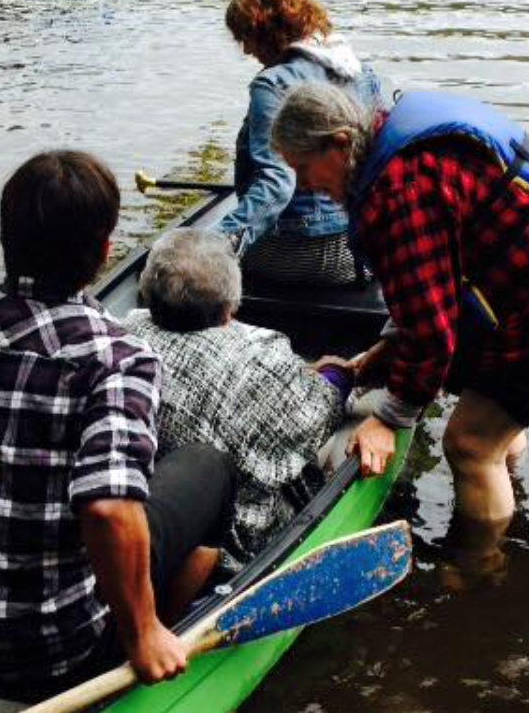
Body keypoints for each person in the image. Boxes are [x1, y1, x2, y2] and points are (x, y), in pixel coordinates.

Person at [0, 151, 235, 698]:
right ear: (104, 251)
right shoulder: (117, 357)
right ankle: (156, 633)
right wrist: (136, 634)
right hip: (51, 655)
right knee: (208, 464)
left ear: (6, 237)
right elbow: (109, 509)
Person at [268, 83, 529, 535]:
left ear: (340, 143)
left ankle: (482, 566)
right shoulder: (393, 147)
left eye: (304, 169)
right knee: (491, 419)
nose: (304, 186)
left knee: (469, 445)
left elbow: (430, 332)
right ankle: (506, 482)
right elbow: (427, 286)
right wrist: (386, 347)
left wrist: (390, 417)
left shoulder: (397, 190)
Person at [122, 228, 355, 573]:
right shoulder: (262, 359)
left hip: (141, 518)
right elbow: (321, 415)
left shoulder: (121, 333)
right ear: (229, 305)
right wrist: (337, 375)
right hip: (232, 543)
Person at [215, 0, 387, 286]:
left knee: (197, 247)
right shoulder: (361, 72)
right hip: (366, 251)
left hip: (306, 254)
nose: (245, 50)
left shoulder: (273, 84)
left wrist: (212, 244)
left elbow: (278, 183)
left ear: (266, 29)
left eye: (245, 36)